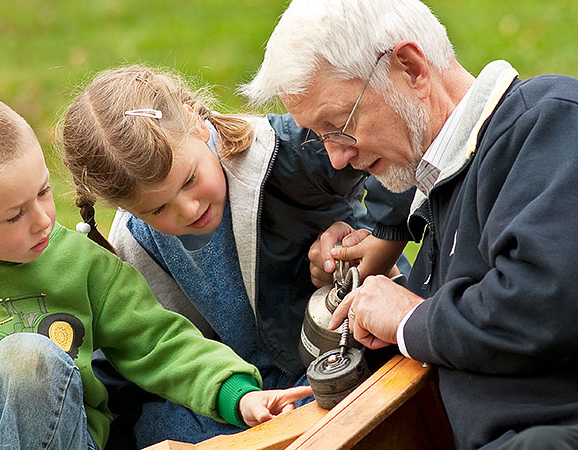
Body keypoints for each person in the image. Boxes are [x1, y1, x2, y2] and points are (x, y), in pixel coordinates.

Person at [0, 86, 314, 450]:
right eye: (15, 215)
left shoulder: (80, 266)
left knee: (27, 356)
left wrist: (240, 395)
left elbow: (159, 343)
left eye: (42, 192)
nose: (43, 220)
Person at [241, 0, 578, 449]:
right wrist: (384, 304)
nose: (339, 157)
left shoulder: (547, 119)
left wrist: (407, 315)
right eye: (319, 138)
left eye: (338, 125)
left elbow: (541, 305)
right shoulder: (445, 187)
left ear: (411, 67)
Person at [59, 64, 414, 446]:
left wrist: (379, 237)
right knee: (151, 426)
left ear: (198, 124)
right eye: (158, 209)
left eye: (190, 180)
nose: (189, 209)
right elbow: (136, 352)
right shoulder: (136, 244)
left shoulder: (281, 153)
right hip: (243, 396)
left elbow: (395, 148)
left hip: (338, 353)